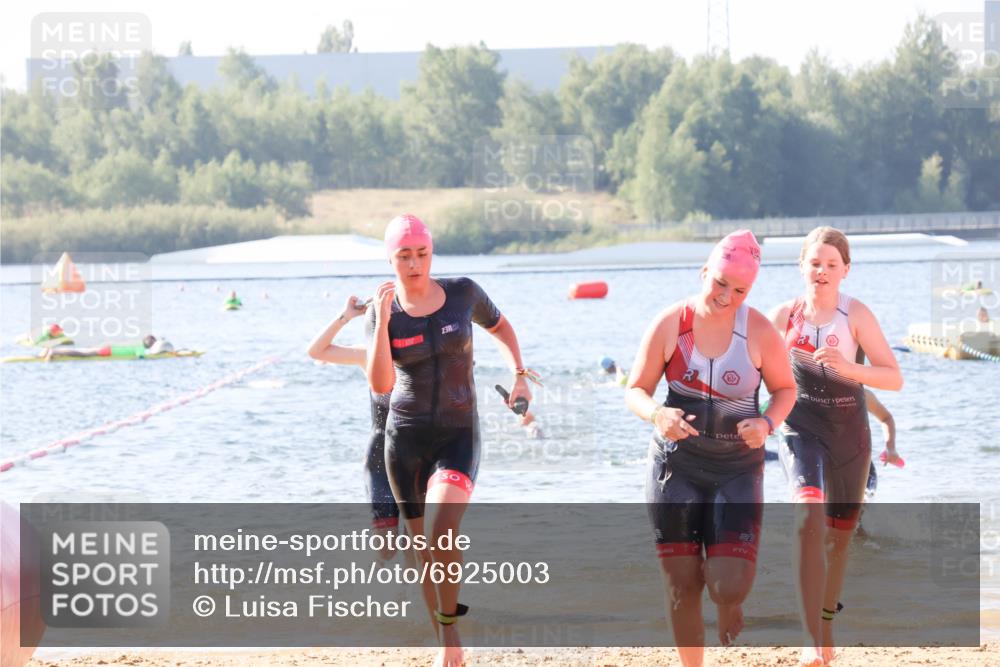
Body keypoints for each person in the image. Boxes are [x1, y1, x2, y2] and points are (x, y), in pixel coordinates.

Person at [367, 214, 535, 667]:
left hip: (459, 432)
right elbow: (381, 382)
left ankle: (449, 620)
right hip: (405, 439)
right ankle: (448, 638)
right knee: (422, 550)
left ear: (431, 253)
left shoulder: (462, 293)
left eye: (422, 254)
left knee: (443, 530)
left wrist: (518, 375)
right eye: (404, 256)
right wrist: (382, 322)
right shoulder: (380, 309)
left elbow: (500, 327)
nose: (415, 263)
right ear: (390, 259)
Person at [625, 230, 796, 667]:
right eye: (720, 283)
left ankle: (727, 598)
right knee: (681, 587)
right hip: (675, 467)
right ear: (705, 272)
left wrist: (767, 422)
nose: (726, 296)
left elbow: (785, 390)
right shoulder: (670, 324)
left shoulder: (757, 330)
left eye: (739, 290)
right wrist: (657, 415)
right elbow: (637, 390)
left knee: (728, 585)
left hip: (737, 468)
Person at [768, 226, 903, 667]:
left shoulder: (856, 315)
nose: (822, 271)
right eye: (814, 263)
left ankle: (825, 623)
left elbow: (893, 377)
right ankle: (811, 636)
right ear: (800, 266)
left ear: (846, 270)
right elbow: (754, 373)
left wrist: (849, 367)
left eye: (831, 265)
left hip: (851, 439)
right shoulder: (782, 316)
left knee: (838, 544)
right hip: (801, 431)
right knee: (808, 516)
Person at [307, 295, 400, 558]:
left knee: (420, 540)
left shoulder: (425, 353)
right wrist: (346, 316)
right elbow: (316, 351)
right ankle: (385, 594)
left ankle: (422, 595)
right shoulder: (368, 354)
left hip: (419, 453)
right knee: (386, 549)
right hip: (381, 454)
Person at [41, 334, 172, 360]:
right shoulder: (141, 349)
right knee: (83, 355)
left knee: (83, 351)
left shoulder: (138, 343)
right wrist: (158, 356)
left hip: (108, 347)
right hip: (108, 352)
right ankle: (55, 351)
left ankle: (55, 351)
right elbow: (142, 358)